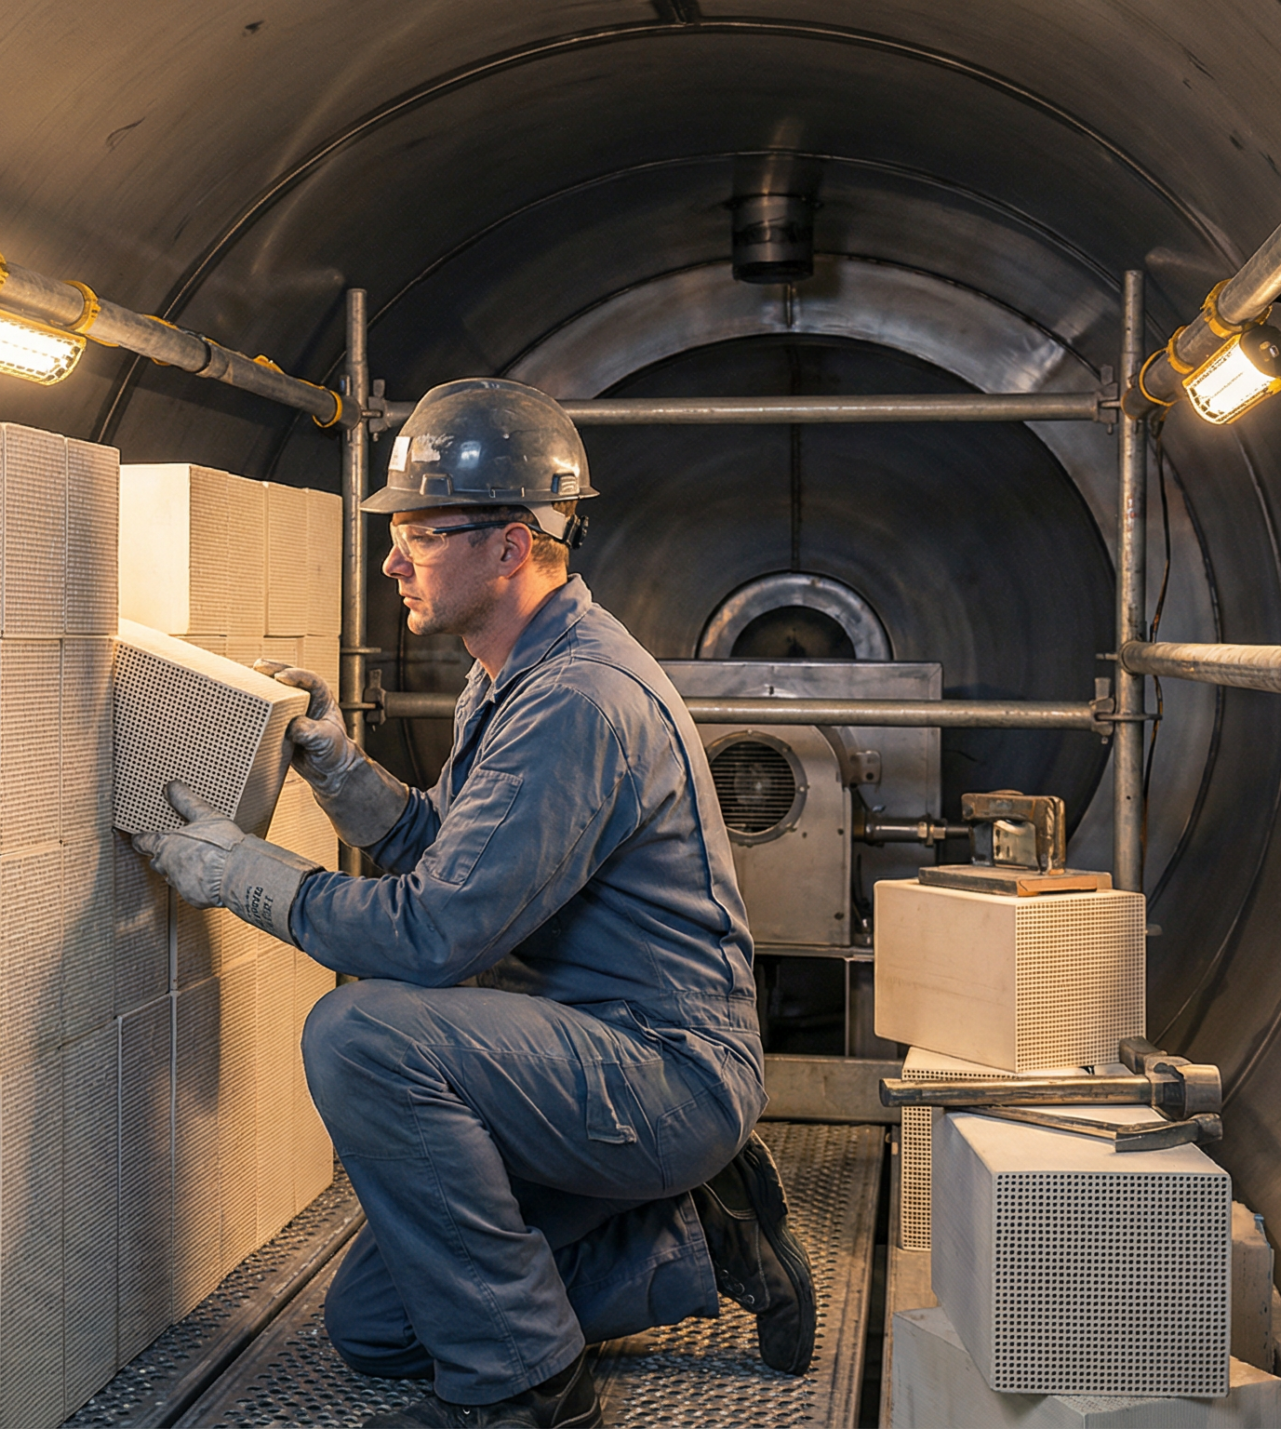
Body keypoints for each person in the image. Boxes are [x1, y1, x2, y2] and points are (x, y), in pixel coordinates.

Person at [131, 378, 813, 1429]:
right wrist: (334, 767)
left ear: (510, 545)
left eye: (417, 532)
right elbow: (449, 858)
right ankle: (695, 1236)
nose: (390, 559)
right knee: (377, 1326)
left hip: (661, 1068)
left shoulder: (578, 700)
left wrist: (242, 874)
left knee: (362, 1034)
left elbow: (435, 935)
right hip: (580, 1060)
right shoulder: (506, 675)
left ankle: (525, 1393)